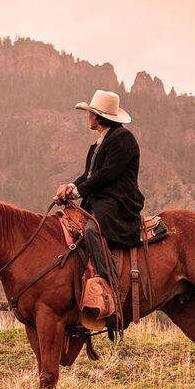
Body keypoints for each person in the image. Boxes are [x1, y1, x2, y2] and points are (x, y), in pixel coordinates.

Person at [55, 90, 145, 284]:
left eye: (90, 113)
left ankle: (109, 282)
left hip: (118, 204)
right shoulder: (99, 144)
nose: (88, 116)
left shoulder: (123, 139)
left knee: (91, 231)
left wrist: (78, 192)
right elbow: (88, 175)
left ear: (97, 116)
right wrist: (70, 187)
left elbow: (107, 174)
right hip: (100, 203)